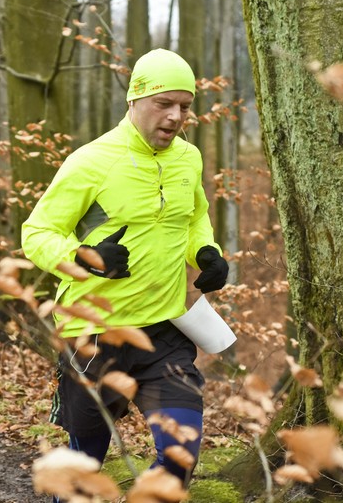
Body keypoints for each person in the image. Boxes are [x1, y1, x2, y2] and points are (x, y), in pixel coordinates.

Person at [21, 49, 229, 488]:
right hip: (94, 334)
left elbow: (193, 218)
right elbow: (37, 232)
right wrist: (84, 258)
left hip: (164, 332)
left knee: (180, 453)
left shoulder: (187, 158)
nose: (175, 117)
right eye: (163, 104)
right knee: (84, 465)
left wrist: (206, 253)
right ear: (134, 100)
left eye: (185, 106)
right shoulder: (91, 161)